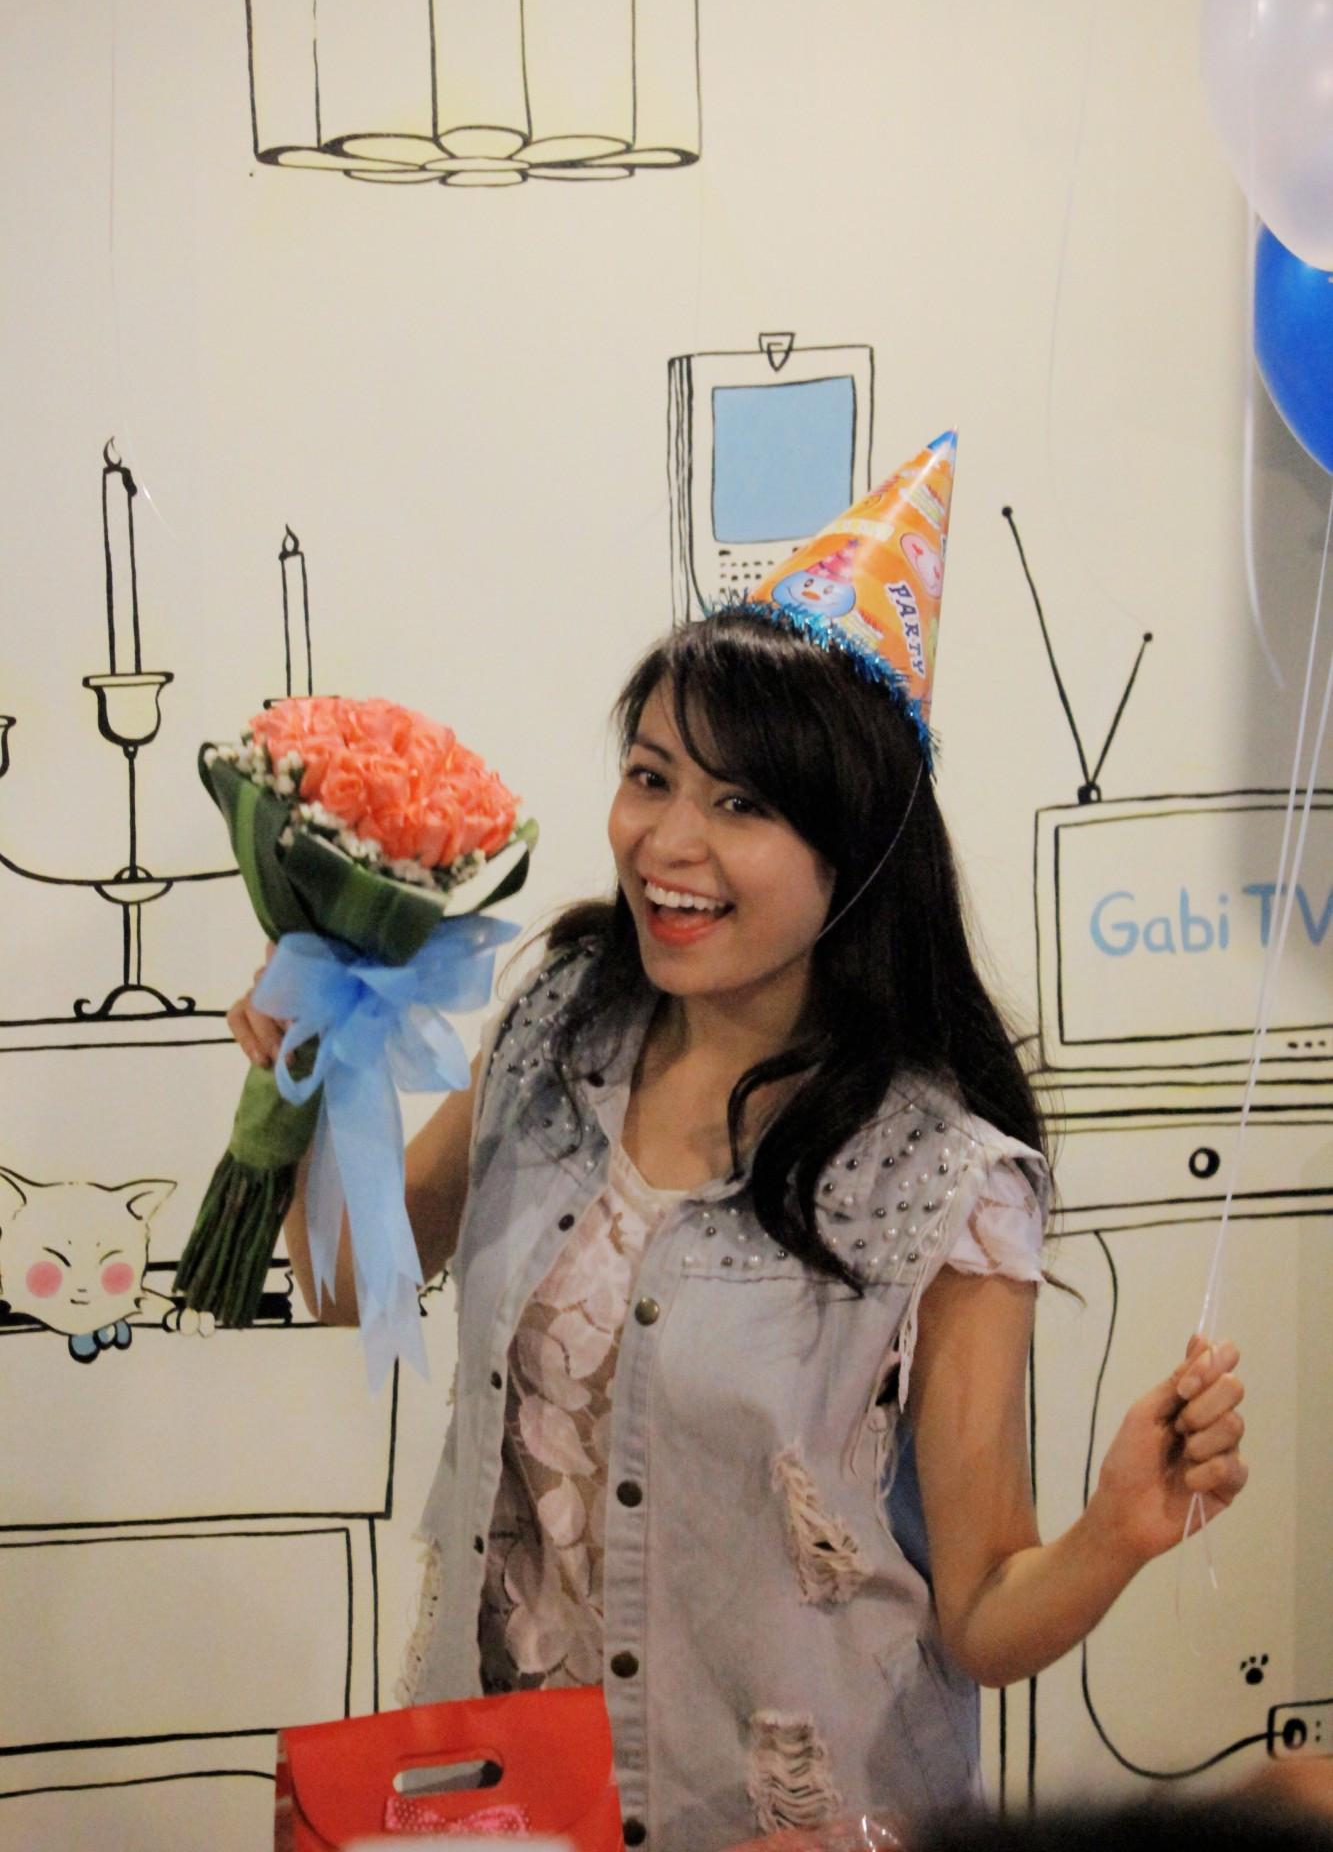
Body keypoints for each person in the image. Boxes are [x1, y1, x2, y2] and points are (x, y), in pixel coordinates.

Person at [229, 440, 1247, 1852]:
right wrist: (310, 1083)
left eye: (742, 804)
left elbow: (981, 1614)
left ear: (855, 851)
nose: (667, 842)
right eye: (650, 777)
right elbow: (353, 1282)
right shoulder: (558, 1027)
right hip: (507, 1808)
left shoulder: (941, 1182)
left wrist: (1117, 1529)